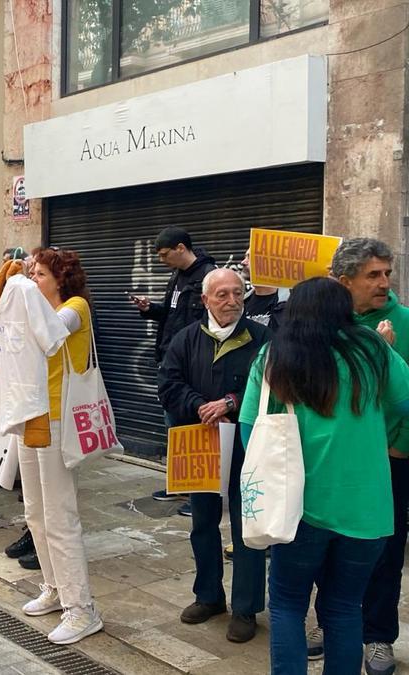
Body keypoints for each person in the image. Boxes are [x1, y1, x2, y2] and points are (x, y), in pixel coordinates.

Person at [239, 277, 409, 675]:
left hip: (297, 509)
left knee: (288, 604)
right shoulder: (372, 349)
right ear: (346, 311)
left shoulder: (274, 356)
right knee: (344, 606)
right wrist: (386, 356)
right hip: (366, 511)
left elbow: (247, 429)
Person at [298, 238, 409, 672]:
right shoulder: (321, 325)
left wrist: (402, 444)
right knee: (322, 545)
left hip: (383, 464)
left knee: (385, 554)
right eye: (372, 275)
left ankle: (378, 636)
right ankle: (329, 621)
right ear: (344, 281)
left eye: (386, 273)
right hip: (325, 465)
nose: (384, 283)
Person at [158, 267, 270, 643]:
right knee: (203, 523)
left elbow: (277, 386)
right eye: (222, 295)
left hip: (247, 445)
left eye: (238, 293)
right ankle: (208, 596)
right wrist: (198, 404)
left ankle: (246, 608)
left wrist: (231, 402)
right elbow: (168, 384)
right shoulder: (186, 338)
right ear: (205, 300)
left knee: (247, 529)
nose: (232, 302)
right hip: (200, 442)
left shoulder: (262, 338)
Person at [15, 246, 104, 645]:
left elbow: (49, 333)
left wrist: (20, 296)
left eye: (38, 275)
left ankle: (81, 608)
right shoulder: (33, 307)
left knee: (60, 514)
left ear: (60, 279)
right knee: (35, 510)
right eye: (31, 274)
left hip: (57, 418)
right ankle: (53, 587)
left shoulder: (76, 307)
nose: (32, 280)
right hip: (29, 415)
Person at [131, 226, 216, 502]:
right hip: (171, 361)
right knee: (175, 427)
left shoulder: (208, 276)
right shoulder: (177, 276)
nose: (162, 260)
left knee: (195, 428)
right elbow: (171, 315)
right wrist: (149, 308)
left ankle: (199, 494)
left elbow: (211, 324)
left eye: (165, 254)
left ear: (181, 248)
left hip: (193, 364)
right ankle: (179, 484)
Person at [240, 248, 287, 331]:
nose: (243, 262)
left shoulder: (288, 304)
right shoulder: (242, 302)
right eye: (245, 257)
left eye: (250, 258)